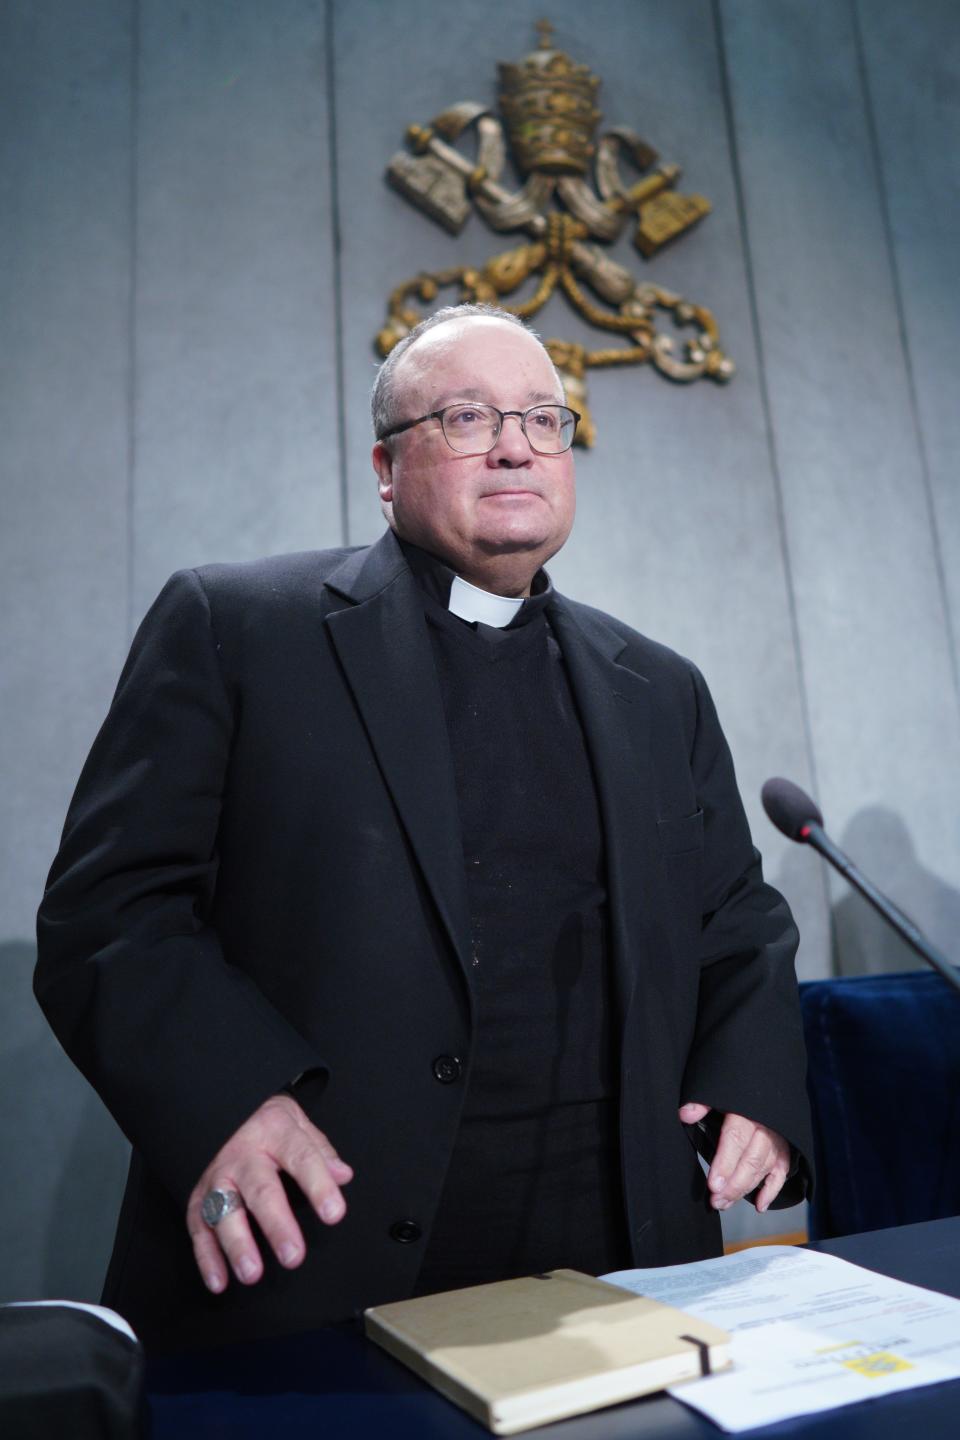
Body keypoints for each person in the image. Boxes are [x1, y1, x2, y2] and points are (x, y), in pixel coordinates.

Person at [35, 305, 813, 1352]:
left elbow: (738, 917)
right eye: (465, 417)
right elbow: (111, 910)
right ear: (386, 467)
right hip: (325, 1252)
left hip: (617, 1262)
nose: (513, 444)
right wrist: (221, 1103)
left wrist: (751, 1088)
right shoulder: (240, 628)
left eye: (543, 418)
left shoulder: (657, 687)